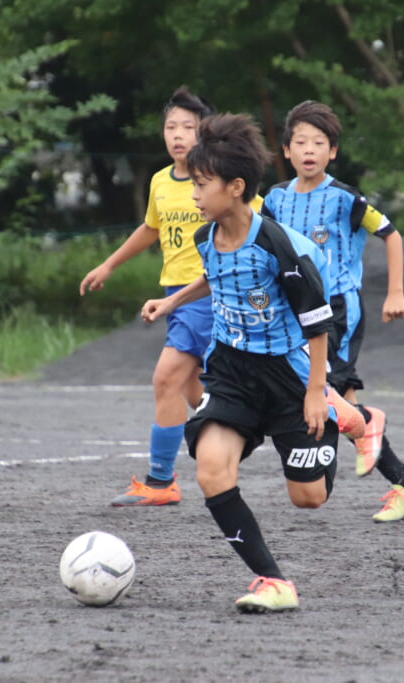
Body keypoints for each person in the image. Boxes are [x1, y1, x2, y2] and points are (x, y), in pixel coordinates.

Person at [141, 112, 339, 613]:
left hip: (289, 375)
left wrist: (316, 392)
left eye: (201, 185)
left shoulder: (278, 246)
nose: (193, 195)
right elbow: (216, 276)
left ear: (234, 187)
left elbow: (318, 324)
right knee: (211, 469)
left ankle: (346, 416)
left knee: (308, 498)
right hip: (232, 371)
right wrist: (171, 301)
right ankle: (273, 581)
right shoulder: (205, 239)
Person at [261, 100, 404, 522]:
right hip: (295, 312)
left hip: (338, 310)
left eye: (319, 142)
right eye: (300, 141)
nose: (309, 149)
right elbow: (264, 248)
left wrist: (395, 291)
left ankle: (367, 431)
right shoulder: (275, 199)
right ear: (286, 150)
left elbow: (391, 234)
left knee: (321, 392)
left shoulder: (345, 198)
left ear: (333, 151)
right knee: (343, 403)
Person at [79, 86, 215, 507]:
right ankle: (240, 428)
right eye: (171, 127)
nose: (177, 135)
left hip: (206, 294)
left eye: (187, 127)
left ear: (203, 133)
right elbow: (150, 229)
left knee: (165, 379)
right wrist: (108, 265)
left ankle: (161, 482)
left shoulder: (215, 177)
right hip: (175, 295)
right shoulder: (160, 180)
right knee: (198, 391)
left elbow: (255, 215)